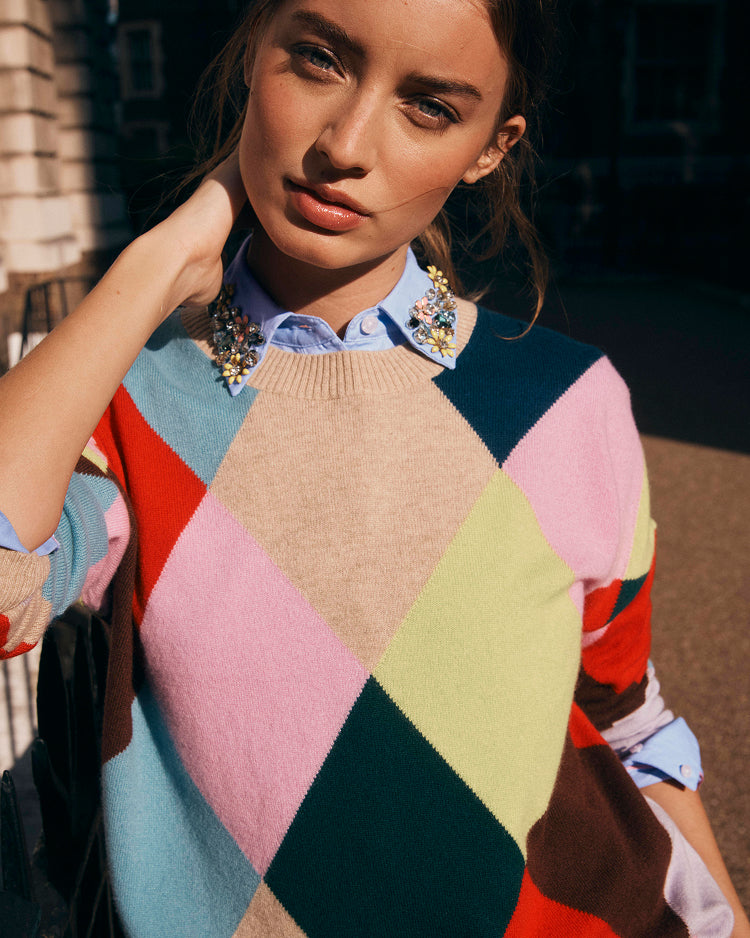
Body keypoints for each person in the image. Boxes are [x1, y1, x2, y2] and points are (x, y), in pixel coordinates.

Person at [0, 0, 747, 935]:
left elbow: (625, 712)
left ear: (489, 148)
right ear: (251, 55)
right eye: (316, 59)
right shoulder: (129, 396)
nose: (345, 145)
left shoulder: (570, 403)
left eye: (430, 106)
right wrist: (153, 265)